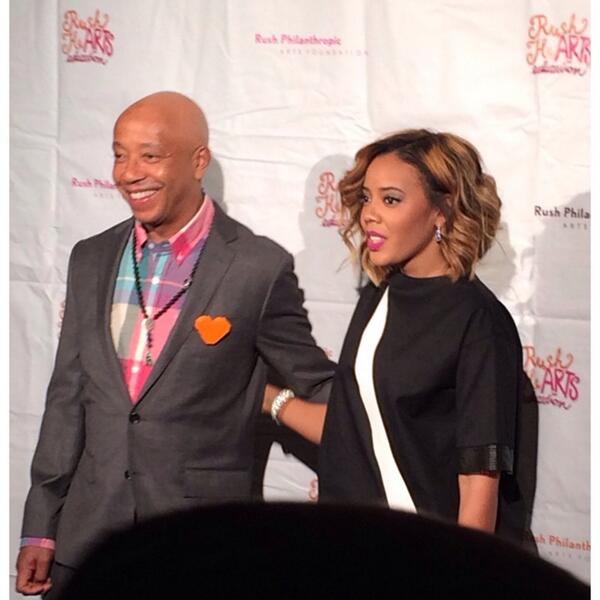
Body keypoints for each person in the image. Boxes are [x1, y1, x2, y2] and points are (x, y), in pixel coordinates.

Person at [16, 91, 334, 598]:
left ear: (198, 161)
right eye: (119, 154)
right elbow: (66, 398)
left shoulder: (257, 267)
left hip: (201, 545)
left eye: (150, 155)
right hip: (88, 540)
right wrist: (40, 526)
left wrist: (406, 419)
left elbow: (318, 383)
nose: (128, 173)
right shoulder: (91, 257)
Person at [265, 129, 537, 547]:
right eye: (366, 198)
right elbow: (351, 428)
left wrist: (466, 574)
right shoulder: (380, 296)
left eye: (390, 200)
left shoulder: (480, 322)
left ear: (442, 211)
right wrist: (268, 398)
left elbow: (478, 483)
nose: (369, 214)